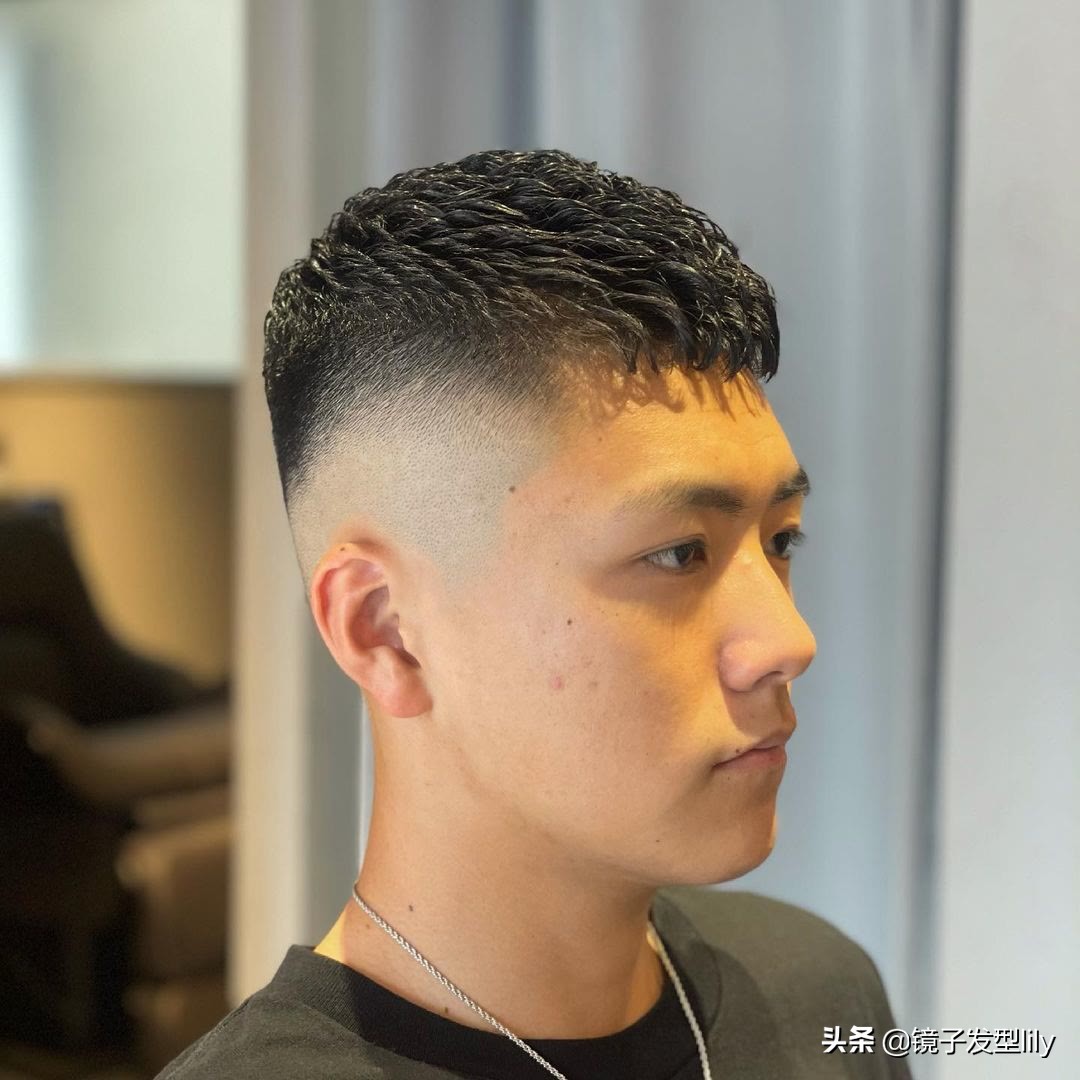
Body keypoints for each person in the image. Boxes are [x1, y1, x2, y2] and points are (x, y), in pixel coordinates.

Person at [157, 149, 912, 1079]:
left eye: (781, 539)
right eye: (679, 553)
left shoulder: (820, 992)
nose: (789, 643)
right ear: (384, 631)